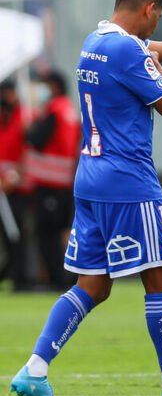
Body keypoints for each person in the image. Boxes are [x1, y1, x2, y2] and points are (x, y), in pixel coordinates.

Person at [10, 0, 162, 396]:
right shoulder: (128, 48)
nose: (156, 29)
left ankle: (34, 370)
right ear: (148, 10)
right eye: (157, 18)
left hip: (90, 178)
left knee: (94, 283)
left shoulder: (94, 42)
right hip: (129, 182)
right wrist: (156, 64)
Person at [25, 70, 79, 290]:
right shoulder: (71, 110)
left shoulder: (54, 110)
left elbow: (36, 140)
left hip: (50, 184)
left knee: (48, 234)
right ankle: (71, 278)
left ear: (55, 86)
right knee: (64, 232)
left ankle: (57, 281)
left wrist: (30, 128)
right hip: (67, 182)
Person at [0, 79, 34, 290]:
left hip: (18, 189)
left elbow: (27, 155)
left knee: (17, 235)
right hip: (3, 189)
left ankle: (20, 277)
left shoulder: (25, 118)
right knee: (8, 236)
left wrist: (11, 180)